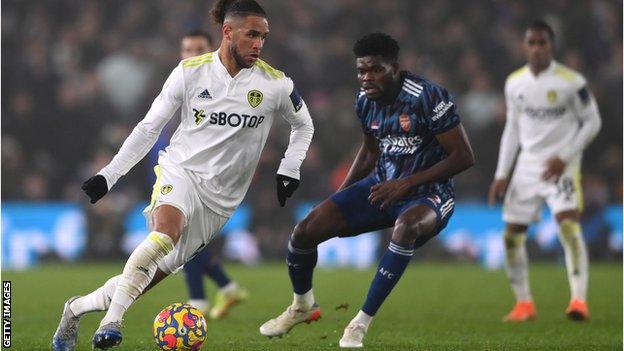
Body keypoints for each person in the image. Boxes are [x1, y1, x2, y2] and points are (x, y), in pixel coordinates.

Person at [51, 1, 314, 350]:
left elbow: (304, 125)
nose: (258, 44)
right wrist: (109, 176)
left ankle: (75, 308)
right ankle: (111, 322)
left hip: (222, 201)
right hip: (181, 171)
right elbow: (149, 128)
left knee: (140, 281)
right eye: (252, 35)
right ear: (227, 32)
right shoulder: (189, 72)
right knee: (166, 233)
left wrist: (289, 167)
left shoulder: (276, 84)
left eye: (263, 37)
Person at [260, 32, 474, 348]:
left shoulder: (428, 97)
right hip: (382, 187)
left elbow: (464, 156)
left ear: (395, 67)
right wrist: (341, 195)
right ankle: (302, 306)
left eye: (375, 69)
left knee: (406, 227)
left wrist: (408, 183)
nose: (366, 77)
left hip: (429, 194)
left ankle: (359, 324)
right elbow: (370, 152)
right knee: (305, 231)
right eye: (361, 70)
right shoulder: (364, 100)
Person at [488, 20, 601, 322]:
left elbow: (592, 122)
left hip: (560, 167)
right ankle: (524, 304)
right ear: (524, 46)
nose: (537, 48)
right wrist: (502, 173)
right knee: (512, 236)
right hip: (526, 166)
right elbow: (512, 128)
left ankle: (579, 301)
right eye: (532, 43)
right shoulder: (515, 83)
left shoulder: (571, 81)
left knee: (568, 226)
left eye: (543, 43)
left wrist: (564, 157)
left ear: (552, 46)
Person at [178, 29, 249, 320]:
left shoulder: (228, 86)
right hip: (189, 171)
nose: (192, 55)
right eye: (187, 50)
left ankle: (199, 301)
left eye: (199, 49)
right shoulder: (183, 82)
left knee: (185, 241)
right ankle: (227, 287)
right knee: (187, 241)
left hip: (216, 176)